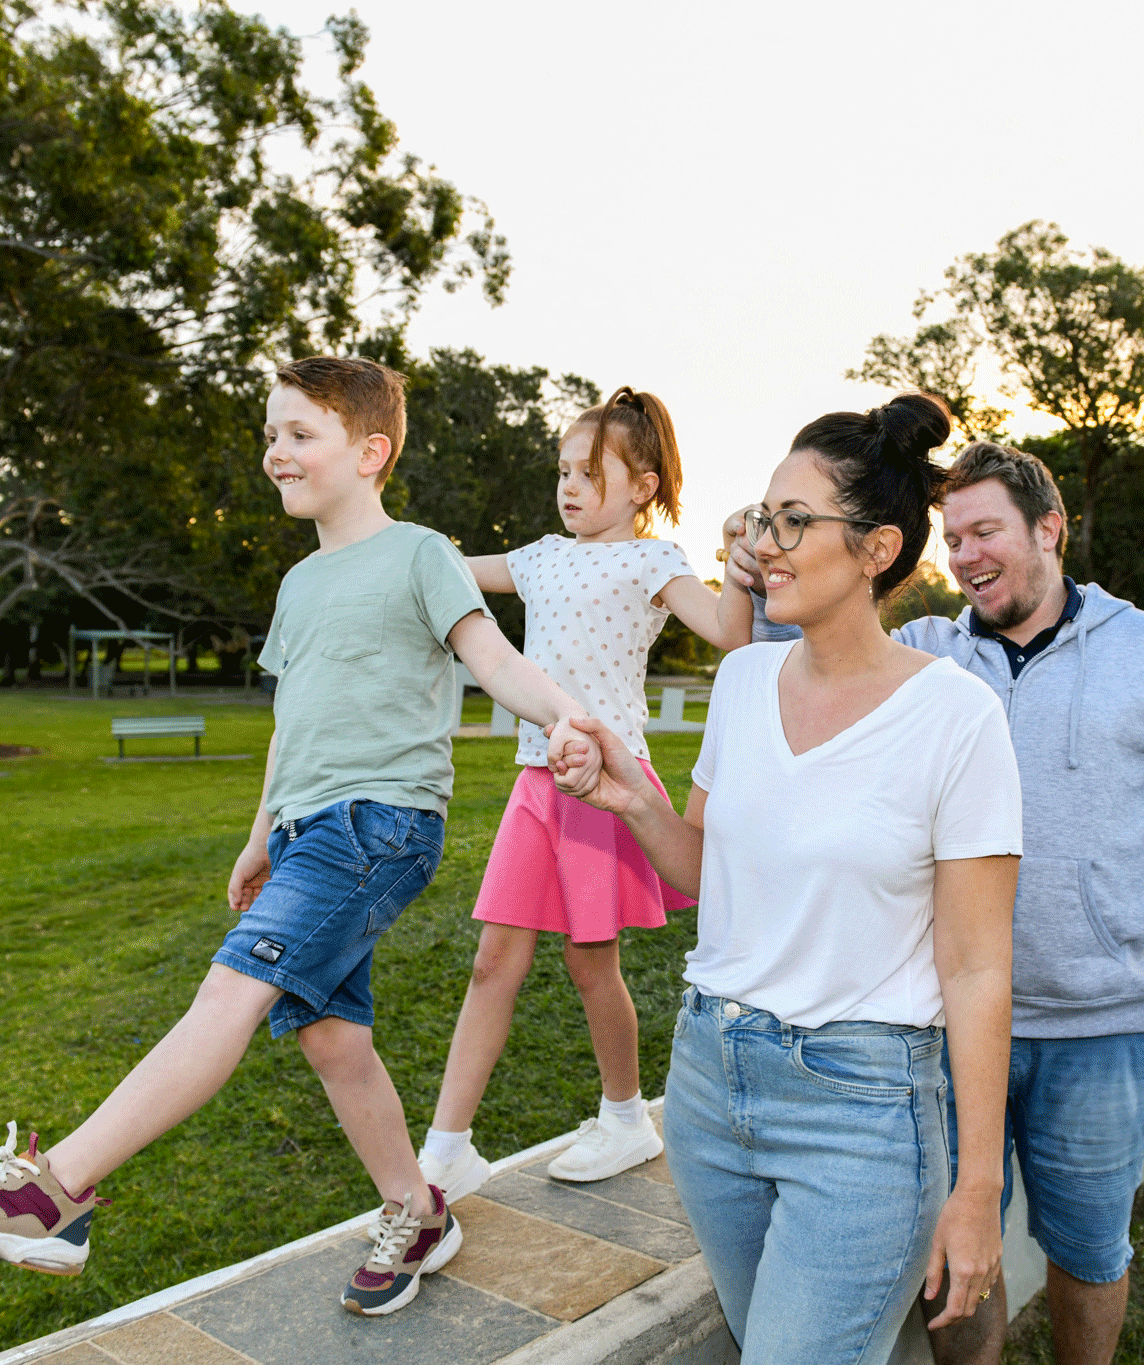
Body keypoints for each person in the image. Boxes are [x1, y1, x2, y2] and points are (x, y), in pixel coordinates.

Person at [728, 439, 1144, 1365]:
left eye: (985, 531)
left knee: (1088, 1252)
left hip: (1102, 1024)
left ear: (1049, 528)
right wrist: (759, 574)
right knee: (955, 1258)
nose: (965, 556)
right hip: (940, 1026)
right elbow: (802, 654)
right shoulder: (922, 658)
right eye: (951, 538)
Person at [0, 357, 602, 1318]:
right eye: (272, 434)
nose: (278, 452)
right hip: (309, 828)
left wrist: (564, 716)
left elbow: (490, 655)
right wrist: (259, 836)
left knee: (228, 992)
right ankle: (417, 1209)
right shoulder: (297, 584)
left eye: (300, 434)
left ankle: (54, 1192)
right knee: (332, 1040)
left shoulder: (419, 553)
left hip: (381, 824)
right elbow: (295, 724)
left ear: (371, 452)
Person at [567, 394, 1023, 1365]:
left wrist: (976, 1186)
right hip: (707, 1085)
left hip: (861, 1111)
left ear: (875, 549)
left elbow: (980, 968)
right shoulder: (739, 685)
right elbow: (705, 876)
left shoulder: (957, 716)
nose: (763, 545)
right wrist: (632, 801)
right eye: (761, 517)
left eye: (793, 521)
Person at [412, 386, 753, 1196]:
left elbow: (730, 635)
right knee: (494, 960)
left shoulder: (654, 560)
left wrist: (738, 561)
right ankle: (446, 1148)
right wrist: (376, 535)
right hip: (537, 781)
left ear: (641, 486)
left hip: (608, 781)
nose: (567, 485)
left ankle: (626, 1118)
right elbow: (448, 572)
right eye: (562, 469)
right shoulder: (538, 556)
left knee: (590, 962)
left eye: (588, 471)